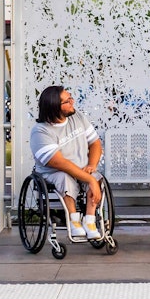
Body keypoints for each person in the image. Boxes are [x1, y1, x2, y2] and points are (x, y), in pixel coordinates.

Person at [30, 85, 104, 240]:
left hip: (81, 169)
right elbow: (59, 163)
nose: (73, 102)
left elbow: (95, 143)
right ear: (55, 107)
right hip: (53, 173)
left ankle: (89, 221)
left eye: (71, 98)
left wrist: (91, 166)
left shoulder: (78, 117)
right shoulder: (40, 131)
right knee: (65, 178)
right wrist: (89, 179)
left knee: (97, 178)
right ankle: (74, 220)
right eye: (67, 101)